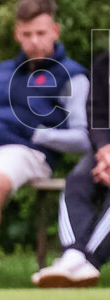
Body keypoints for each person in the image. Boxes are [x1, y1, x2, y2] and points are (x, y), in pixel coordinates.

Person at [0, 0, 89, 263]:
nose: (34, 40)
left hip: (26, 151)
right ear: (17, 34)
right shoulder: (1, 72)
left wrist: (37, 133)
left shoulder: (73, 76)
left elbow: (83, 138)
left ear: (55, 31)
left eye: (41, 33)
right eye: (27, 34)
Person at [34, 49, 110, 286]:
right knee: (77, 183)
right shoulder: (104, 63)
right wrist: (104, 150)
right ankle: (74, 255)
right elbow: (96, 116)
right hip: (106, 152)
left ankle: (88, 261)